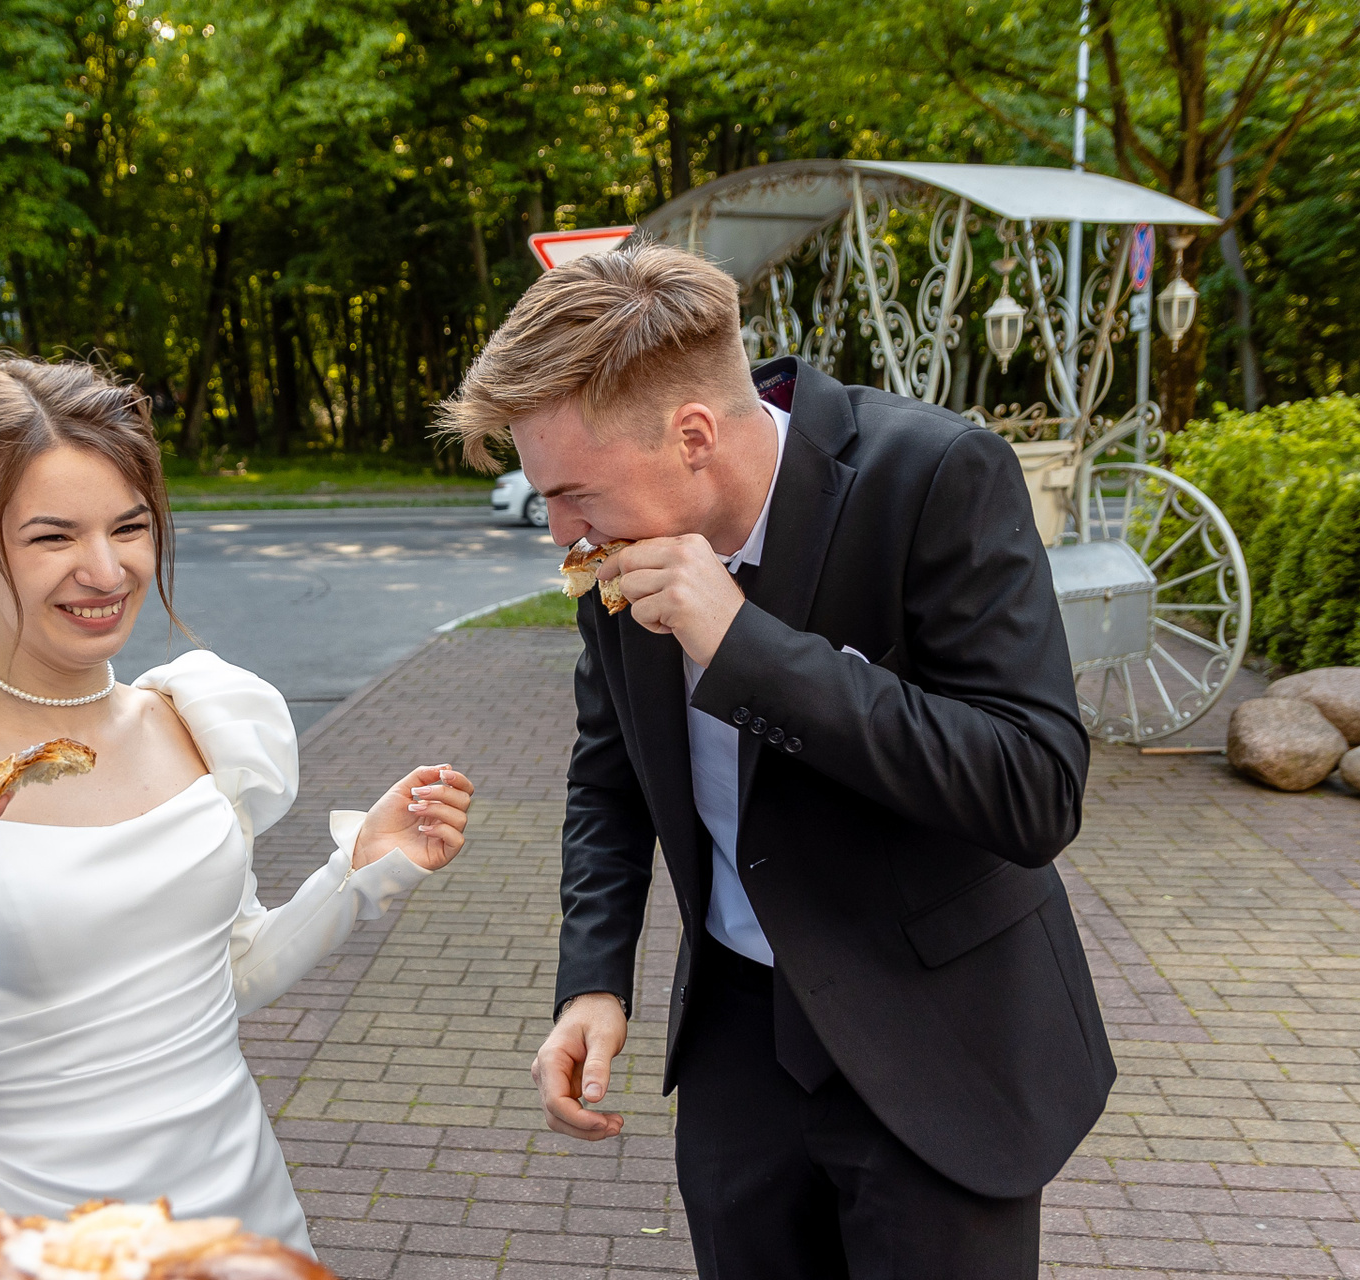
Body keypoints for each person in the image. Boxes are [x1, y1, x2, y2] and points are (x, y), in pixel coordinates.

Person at [0, 354, 474, 1276]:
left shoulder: (200, 721)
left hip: (247, 1219)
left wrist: (359, 873)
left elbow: (219, 980)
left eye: (130, 527)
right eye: (53, 537)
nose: (106, 571)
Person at [436, 242, 1112, 1279]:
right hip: (737, 1047)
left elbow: (1035, 788)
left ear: (693, 435)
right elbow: (608, 775)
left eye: (574, 492)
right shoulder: (614, 550)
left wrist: (748, 649)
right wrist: (592, 982)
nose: (561, 531)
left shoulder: (935, 476)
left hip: (940, 1040)